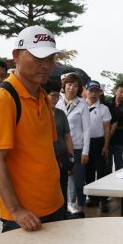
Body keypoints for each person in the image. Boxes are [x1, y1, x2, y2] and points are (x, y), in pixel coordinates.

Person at [0, 25, 64, 232]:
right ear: (16, 56)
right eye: (38, 57)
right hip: (26, 215)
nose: (45, 65)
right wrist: (16, 210)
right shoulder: (2, 99)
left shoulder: (43, 96)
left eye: (50, 58)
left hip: (55, 203)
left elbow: (45, 149)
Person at [56, 73, 90, 218]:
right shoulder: (57, 101)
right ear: (64, 85)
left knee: (78, 180)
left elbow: (87, 129)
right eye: (69, 85)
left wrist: (85, 151)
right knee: (64, 178)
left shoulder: (82, 104)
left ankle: (81, 205)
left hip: (77, 147)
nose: (72, 88)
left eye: (75, 86)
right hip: (61, 148)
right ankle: (68, 205)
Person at [44, 79, 74, 220]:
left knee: (63, 187)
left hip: (61, 157)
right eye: (53, 95)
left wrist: (71, 156)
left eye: (58, 96)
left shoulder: (61, 114)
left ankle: (62, 215)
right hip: (45, 160)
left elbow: (67, 136)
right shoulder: (39, 113)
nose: (56, 99)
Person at [84, 80, 112, 213]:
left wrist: (106, 145)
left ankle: (103, 200)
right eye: (91, 91)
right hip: (85, 143)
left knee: (101, 172)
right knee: (88, 172)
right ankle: (92, 197)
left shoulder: (104, 109)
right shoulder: (81, 106)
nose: (93, 94)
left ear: (100, 93)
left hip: (99, 142)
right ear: (86, 91)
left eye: (96, 91)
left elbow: (107, 129)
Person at [107, 81, 123, 170]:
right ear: (115, 92)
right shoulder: (107, 103)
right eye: (121, 92)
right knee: (107, 165)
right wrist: (120, 123)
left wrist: (113, 125)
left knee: (120, 166)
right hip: (107, 140)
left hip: (120, 140)